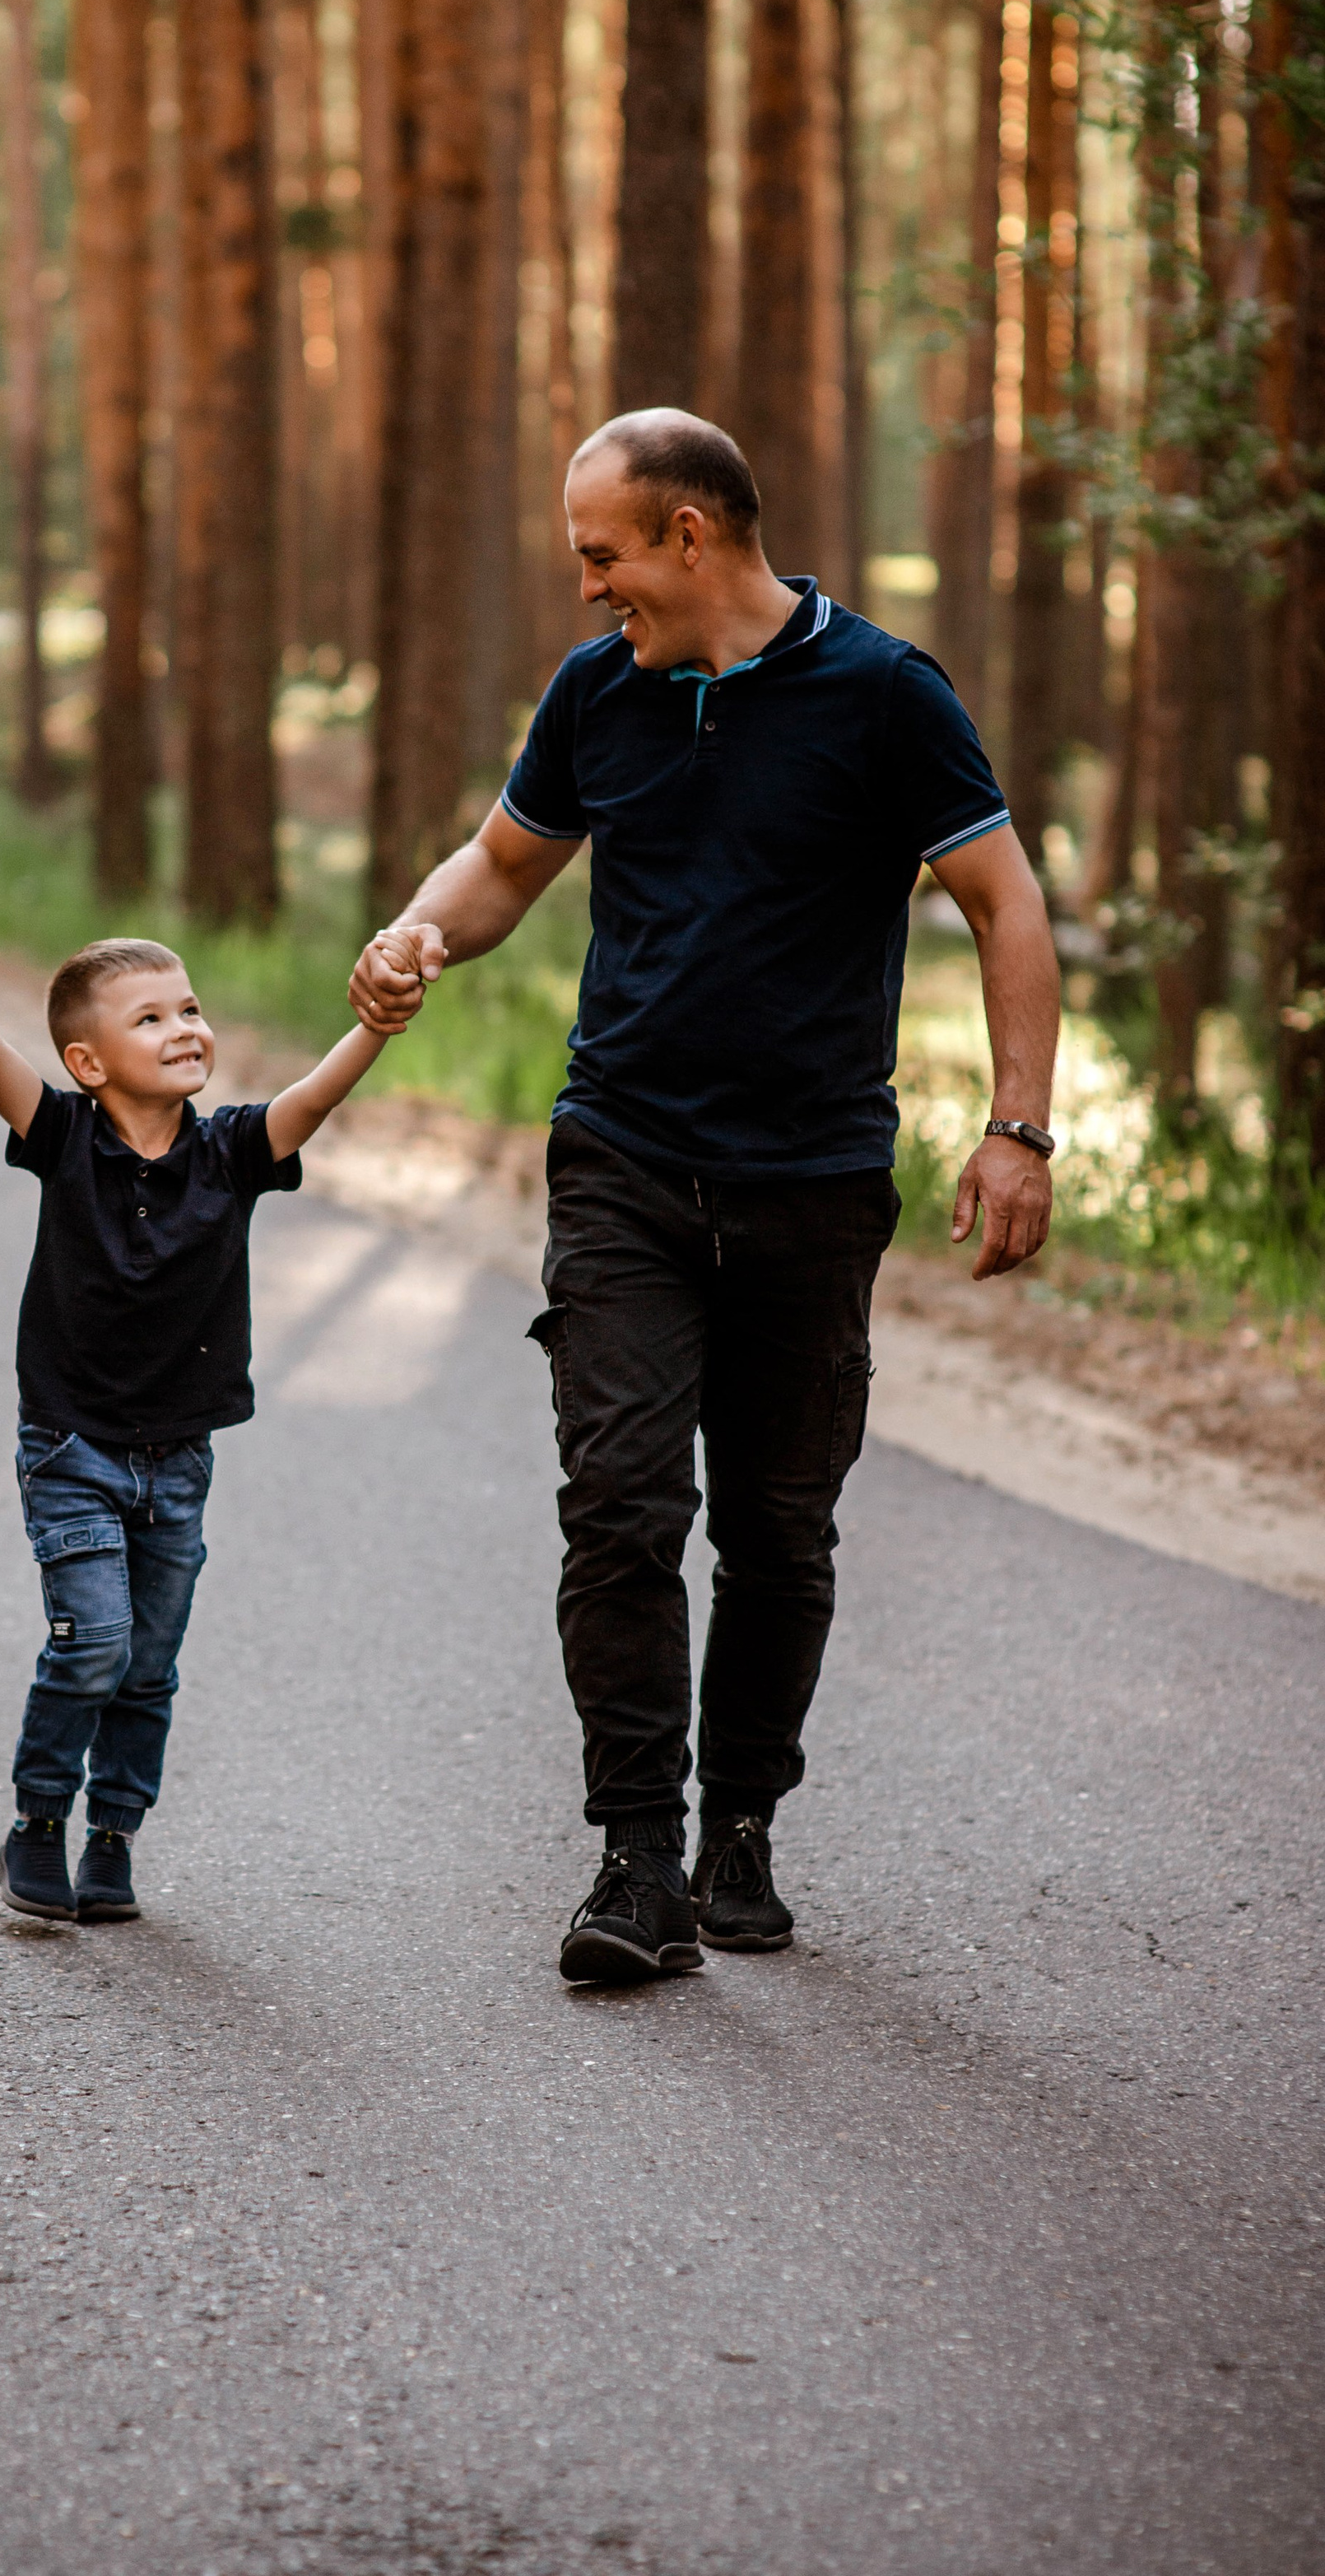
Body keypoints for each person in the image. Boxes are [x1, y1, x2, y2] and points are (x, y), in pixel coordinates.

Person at [348, 408, 1059, 1988]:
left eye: (603, 554)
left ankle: (740, 1824)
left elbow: (1005, 902)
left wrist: (1020, 1126)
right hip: (622, 1159)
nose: (590, 587)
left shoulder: (884, 695)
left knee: (780, 1531)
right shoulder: (601, 692)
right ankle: (636, 1860)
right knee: (618, 1503)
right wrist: (416, 932)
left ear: (689, 534)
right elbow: (504, 864)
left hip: (810, 1180)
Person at [0, 861, 394, 1921]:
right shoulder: (63, 1138)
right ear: (87, 1061)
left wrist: (378, 1027)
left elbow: (315, 1096)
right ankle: (36, 1822)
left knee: (149, 1670)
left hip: (180, 1457)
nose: (185, 1028)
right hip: (70, 1447)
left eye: (192, 1008)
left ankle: (111, 1839)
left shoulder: (230, 1153)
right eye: (151, 1016)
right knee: (97, 1645)